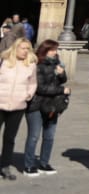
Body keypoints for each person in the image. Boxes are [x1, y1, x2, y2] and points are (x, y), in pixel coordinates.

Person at [23, 40, 67, 176]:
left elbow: (62, 79)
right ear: (45, 50)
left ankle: (44, 163)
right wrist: (62, 90)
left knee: (49, 136)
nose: (55, 52)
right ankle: (28, 165)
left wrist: (61, 74)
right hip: (36, 104)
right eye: (53, 50)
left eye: (56, 50)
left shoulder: (57, 63)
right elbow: (40, 88)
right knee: (34, 136)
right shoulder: (37, 65)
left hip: (52, 105)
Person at [0, 38, 37, 180]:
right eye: (23, 48)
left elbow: (33, 83)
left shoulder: (31, 64)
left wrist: (28, 95)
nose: (25, 51)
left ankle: (5, 166)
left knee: (10, 138)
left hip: (18, 106)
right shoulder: (3, 61)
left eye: (28, 48)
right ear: (15, 48)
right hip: (0, 103)